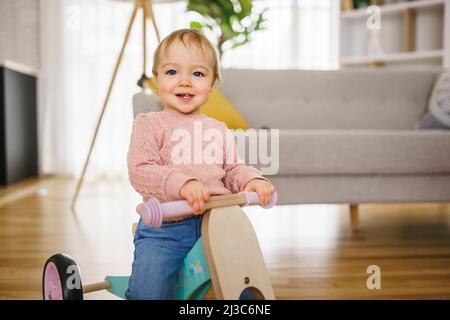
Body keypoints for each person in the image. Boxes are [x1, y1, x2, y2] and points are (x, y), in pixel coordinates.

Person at [125, 28, 276, 299]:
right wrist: (184, 184)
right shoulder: (149, 124)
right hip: (166, 229)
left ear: (213, 82)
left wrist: (253, 180)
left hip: (219, 224)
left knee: (245, 283)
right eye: (172, 72)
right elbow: (141, 171)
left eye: (197, 74)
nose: (185, 82)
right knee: (149, 291)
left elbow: (233, 169)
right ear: (156, 79)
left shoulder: (218, 129)